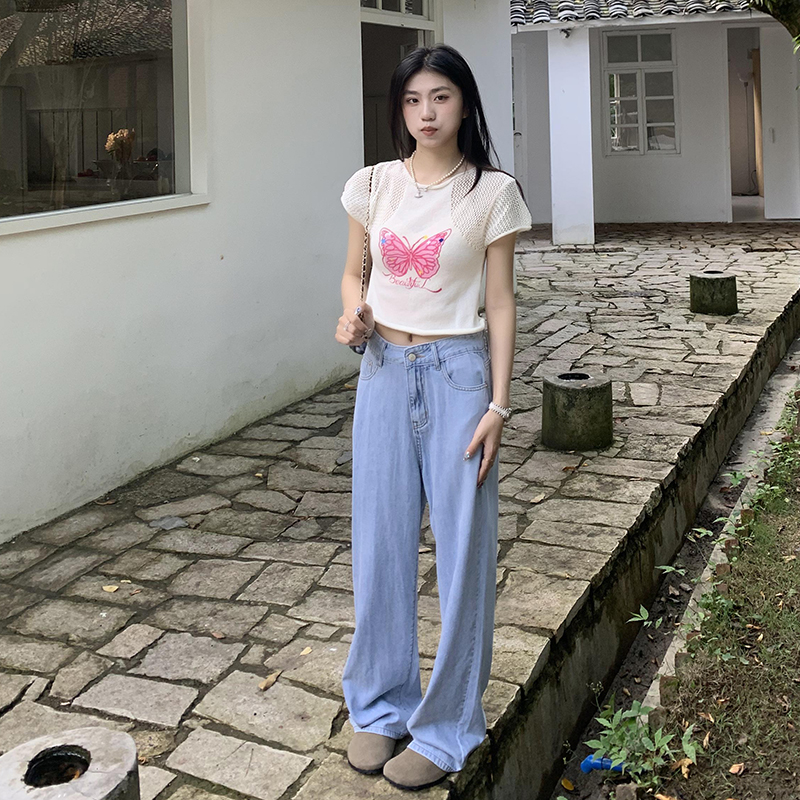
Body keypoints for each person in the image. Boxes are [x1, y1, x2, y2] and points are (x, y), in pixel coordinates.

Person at [335, 43, 532, 791]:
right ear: (399, 108)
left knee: (463, 552)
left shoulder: (493, 193)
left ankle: (448, 726)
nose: (426, 113)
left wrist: (499, 405)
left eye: (441, 97)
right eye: (413, 99)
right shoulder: (372, 185)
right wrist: (353, 314)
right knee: (380, 543)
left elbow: (502, 302)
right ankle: (381, 705)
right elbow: (354, 275)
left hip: (458, 376)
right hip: (384, 372)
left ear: (464, 104)